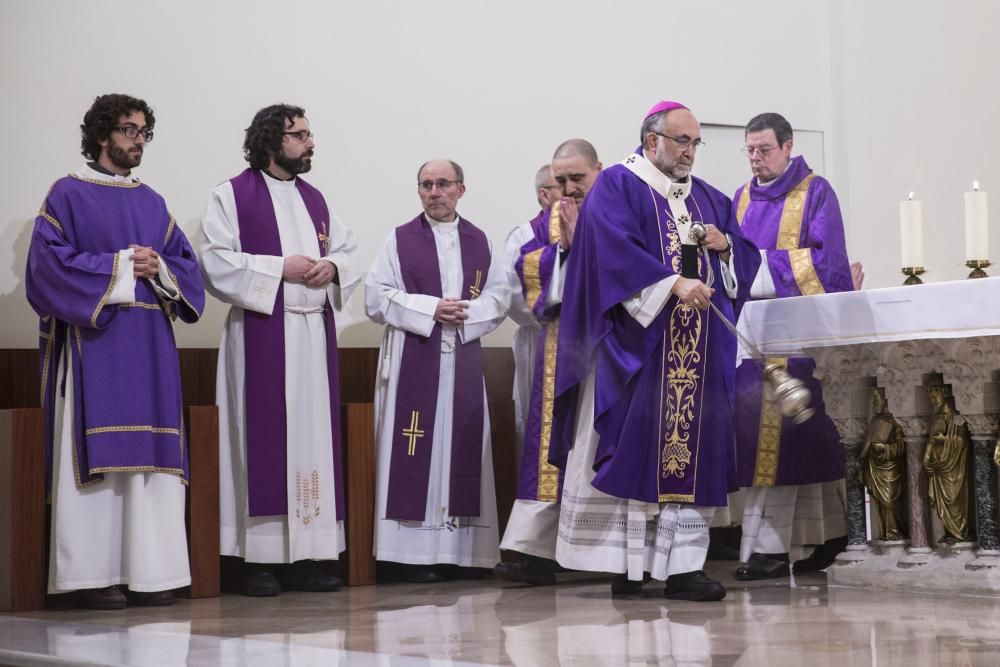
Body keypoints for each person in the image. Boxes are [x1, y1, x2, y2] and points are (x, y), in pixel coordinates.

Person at [550, 101, 760, 601]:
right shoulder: (618, 186)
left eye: (695, 143)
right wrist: (670, 285)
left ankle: (685, 568)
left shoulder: (708, 197)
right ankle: (631, 567)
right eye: (681, 141)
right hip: (639, 350)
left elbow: (744, 256)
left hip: (698, 355)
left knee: (693, 452)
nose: (690, 152)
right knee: (638, 451)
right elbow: (609, 252)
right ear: (652, 141)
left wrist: (724, 247)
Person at [26, 93, 205, 609]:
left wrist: (160, 269)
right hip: (94, 345)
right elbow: (46, 269)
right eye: (129, 130)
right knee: (100, 463)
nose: (138, 140)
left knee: (151, 463)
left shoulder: (152, 201)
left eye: (145, 132)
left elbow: (185, 268)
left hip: (150, 348)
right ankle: (91, 576)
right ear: (102, 134)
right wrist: (123, 267)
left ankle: (153, 572)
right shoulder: (67, 194)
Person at [199, 104, 359, 596]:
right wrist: (277, 268)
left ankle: (308, 555)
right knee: (259, 438)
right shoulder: (231, 195)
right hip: (262, 334)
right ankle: (257, 559)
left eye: (309, 135)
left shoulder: (316, 200)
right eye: (299, 135)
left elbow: (348, 251)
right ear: (271, 141)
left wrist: (332, 267)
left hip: (312, 335)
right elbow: (214, 261)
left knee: (313, 438)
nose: (310, 144)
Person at [366, 159, 509, 583]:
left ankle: (460, 554)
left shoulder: (480, 241)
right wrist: (432, 308)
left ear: (461, 190)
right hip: (416, 355)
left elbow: (500, 298)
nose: (434, 192)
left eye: (442, 184)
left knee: (460, 445)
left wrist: (463, 312)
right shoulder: (399, 240)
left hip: (461, 357)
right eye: (426, 185)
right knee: (414, 448)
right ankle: (406, 556)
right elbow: (376, 297)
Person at [731, 112, 853, 580]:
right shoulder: (740, 199)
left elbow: (830, 264)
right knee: (770, 445)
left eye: (764, 150)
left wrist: (758, 267)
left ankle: (770, 549)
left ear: (787, 147)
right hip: (752, 340)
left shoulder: (815, 192)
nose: (756, 159)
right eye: (750, 151)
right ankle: (827, 535)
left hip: (803, 342)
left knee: (796, 444)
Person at [496, 141, 602, 585]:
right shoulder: (536, 230)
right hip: (558, 346)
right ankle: (536, 548)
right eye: (559, 181)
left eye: (577, 178)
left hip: (608, 348)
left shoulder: (618, 215)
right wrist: (565, 252)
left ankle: (601, 546)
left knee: (595, 443)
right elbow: (522, 283)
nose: (567, 189)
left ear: (599, 170)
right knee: (549, 442)